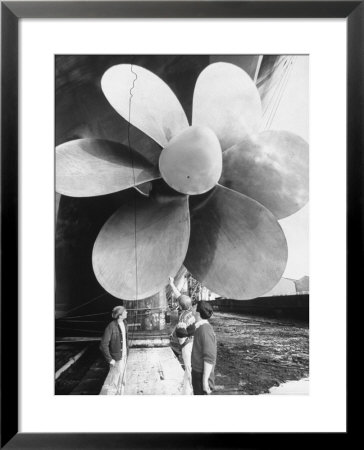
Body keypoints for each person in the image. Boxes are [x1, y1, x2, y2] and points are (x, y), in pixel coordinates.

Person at [169, 276, 195, 395]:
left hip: (186, 345)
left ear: (179, 306)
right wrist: (172, 284)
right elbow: (180, 296)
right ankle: (185, 390)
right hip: (192, 342)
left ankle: (191, 389)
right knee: (188, 368)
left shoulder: (182, 318)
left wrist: (181, 346)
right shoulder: (190, 310)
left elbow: (181, 336)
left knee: (189, 369)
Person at [99, 305, 129, 395]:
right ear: (120, 315)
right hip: (116, 359)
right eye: (125, 311)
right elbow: (103, 345)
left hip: (124, 357)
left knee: (123, 381)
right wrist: (110, 359)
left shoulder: (125, 323)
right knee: (114, 384)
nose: (127, 312)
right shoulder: (111, 326)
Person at [191, 300, 217, 395]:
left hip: (201, 374)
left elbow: (210, 357)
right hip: (198, 372)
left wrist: (205, 381)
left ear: (198, 312)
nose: (192, 308)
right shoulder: (200, 327)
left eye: (194, 306)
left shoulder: (205, 329)